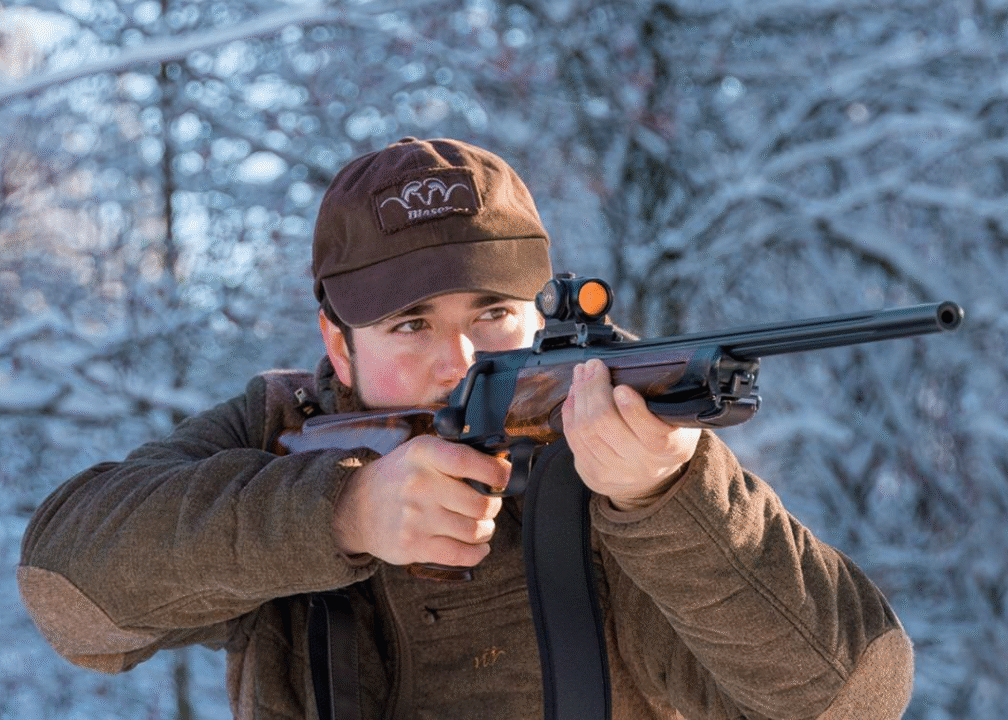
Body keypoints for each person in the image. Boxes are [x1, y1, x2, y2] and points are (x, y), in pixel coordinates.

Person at [18, 137, 914, 719]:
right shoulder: (285, 432)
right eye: (410, 325)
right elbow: (68, 592)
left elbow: (856, 696)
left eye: (491, 312)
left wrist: (667, 497)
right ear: (337, 342)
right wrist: (339, 515)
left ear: (541, 311)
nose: (457, 356)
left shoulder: (625, 434)